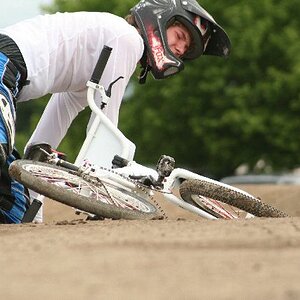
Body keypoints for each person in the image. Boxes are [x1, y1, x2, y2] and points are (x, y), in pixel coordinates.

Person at [0, 0, 231, 223]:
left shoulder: (93, 61)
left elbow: (53, 127)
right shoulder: (127, 39)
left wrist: (33, 200)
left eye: (187, 48)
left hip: (9, 75)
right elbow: (105, 128)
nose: (181, 49)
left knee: (13, 208)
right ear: (158, 21)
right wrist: (109, 182)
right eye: (180, 37)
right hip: (5, 62)